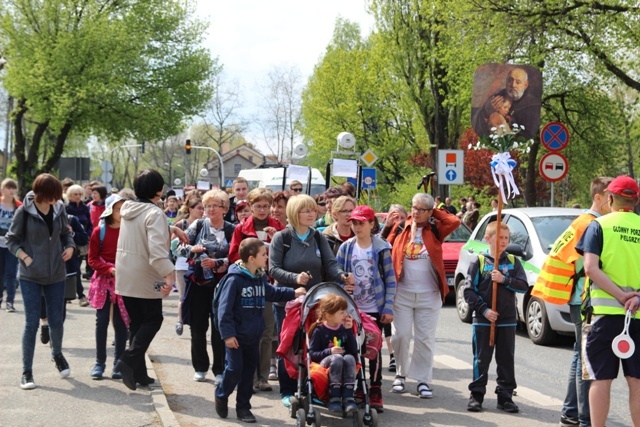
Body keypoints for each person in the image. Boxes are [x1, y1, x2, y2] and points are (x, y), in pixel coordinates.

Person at [532, 176, 612, 427]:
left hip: (579, 298)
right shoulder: (592, 225)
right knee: (585, 358)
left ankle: (571, 412)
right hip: (585, 298)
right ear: (598, 198)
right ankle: (582, 415)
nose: (613, 202)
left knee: (580, 355)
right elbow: (590, 266)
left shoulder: (583, 222)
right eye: (610, 197)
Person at [269, 194, 353, 407]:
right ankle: (287, 391)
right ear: (294, 214)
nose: (311, 214)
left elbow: (330, 263)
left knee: (311, 345)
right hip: (287, 302)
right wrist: (294, 279)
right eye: (306, 210)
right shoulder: (282, 238)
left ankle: (313, 386)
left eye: (313, 210)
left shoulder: (317, 236)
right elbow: (273, 269)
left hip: (315, 301)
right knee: (288, 345)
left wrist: (341, 275)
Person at [215, 238, 305, 423]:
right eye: (263, 254)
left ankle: (243, 408)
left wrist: (293, 292)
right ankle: (222, 394)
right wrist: (228, 335)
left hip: (252, 336)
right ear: (251, 258)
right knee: (234, 369)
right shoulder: (234, 280)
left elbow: (271, 293)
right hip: (236, 337)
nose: (267, 257)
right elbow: (224, 310)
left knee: (248, 374)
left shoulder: (259, 277)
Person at [576, 175, 640, 427]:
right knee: (637, 380)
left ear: (610, 198)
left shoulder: (599, 226)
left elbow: (590, 268)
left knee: (600, 379)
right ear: (635, 201)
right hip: (637, 316)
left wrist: (620, 295)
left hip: (602, 315)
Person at [7, 173, 76, 390]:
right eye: (52, 196)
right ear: (41, 194)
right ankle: (26, 372)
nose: (56, 200)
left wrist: (70, 247)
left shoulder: (59, 209)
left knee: (56, 320)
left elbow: (67, 234)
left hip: (56, 273)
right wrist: (25, 256)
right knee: (31, 323)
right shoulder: (24, 212)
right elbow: (11, 240)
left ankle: (57, 354)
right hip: (30, 275)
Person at [387, 193, 460, 398]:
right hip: (402, 293)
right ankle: (400, 375)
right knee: (400, 335)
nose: (415, 212)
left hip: (429, 295)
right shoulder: (401, 227)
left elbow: (454, 221)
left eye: (421, 209)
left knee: (424, 339)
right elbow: (385, 246)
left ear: (429, 212)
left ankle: (422, 380)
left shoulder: (435, 229)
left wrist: (433, 209)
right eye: (413, 208)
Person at [113, 169, 176, 391]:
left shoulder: (128, 209)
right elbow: (157, 252)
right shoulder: (154, 213)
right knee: (153, 320)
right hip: (146, 275)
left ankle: (138, 373)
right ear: (158, 190)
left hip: (125, 274)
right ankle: (128, 360)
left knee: (137, 324)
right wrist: (170, 274)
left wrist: (170, 228)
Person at [336, 205, 396, 412]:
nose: (357, 227)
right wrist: (343, 283)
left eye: (361, 223)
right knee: (353, 348)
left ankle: (376, 388)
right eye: (354, 222)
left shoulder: (381, 248)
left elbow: (390, 280)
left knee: (374, 349)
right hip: (353, 308)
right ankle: (359, 386)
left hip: (374, 308)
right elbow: (338, 274)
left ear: (372, 224)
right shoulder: (346, 248)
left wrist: (388, 307)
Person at [463, 221, 528, 413]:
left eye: (506, 238)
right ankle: (476, 395)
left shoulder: (514, 262)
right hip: (484, 319)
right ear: (488, 239)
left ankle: (505, 396)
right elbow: (468, 291)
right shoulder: (479, 261)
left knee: (506, 358)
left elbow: (523, 286)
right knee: (481, 358)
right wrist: (484, 310)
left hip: (507, 319)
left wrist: (504, 279)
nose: (503, 241)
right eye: (499, 238)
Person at [228, 188, 284, 392]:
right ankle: (248, 376)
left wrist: (276, 239)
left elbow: (285, 255)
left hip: (268, 284)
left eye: (265, 206)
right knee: (248, 331)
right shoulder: (241, 229)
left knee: (267, 331)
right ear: (250, 206)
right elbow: (233, 256)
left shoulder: (278, 226)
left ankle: (262, 377)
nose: (262, 210)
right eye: (258, 206)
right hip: (247, 285)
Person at [178, 189, 234, 385]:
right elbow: (179, 247)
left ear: (224, 209)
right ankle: (200, 367)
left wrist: (217, 262)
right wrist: (192, 250)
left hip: (222, 285)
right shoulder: (199, 224)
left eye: (215, 206)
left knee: (219, 327)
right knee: (198, 326)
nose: (210, 209)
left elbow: (235, 257)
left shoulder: (231, 230)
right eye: (207, 206)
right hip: (198, 283)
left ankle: (219, 369)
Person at [87, 195, 129, 380]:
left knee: (120, 324)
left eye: (124, 209)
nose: (122, 212)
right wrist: (109, 269)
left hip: (124, 280)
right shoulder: (99, 231)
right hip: (104, 280)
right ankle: (99, 363)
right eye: (118, 209)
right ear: (111, 210)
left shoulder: (129, 231)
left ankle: (118, 364)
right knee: (101, 321)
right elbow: (92, 259)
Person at [308, 294, 358, 414]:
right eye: (341, 312)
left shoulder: (344, 328)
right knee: (337, 358)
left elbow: (353, 351)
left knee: (350, 358)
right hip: (324, 364)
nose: (345, 315)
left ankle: (348, 396)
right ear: (329, 315)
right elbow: (313, 354)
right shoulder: (319, 331)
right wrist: (329, 351)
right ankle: (334, 397)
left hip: (343, 362)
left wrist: (348, 331)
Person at [472, 67, 540, 139]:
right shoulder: (497, 97)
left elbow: (528, 135)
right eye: (510, 80)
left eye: (518, 82)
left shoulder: (532, 105)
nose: (513, 85)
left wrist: (506, 117)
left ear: (525, 85)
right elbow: (477, 124)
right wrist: (486, 111)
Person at [172, 197, 204, 336]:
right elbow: (171, 244)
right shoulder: (182, 224)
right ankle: (180, 320)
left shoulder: (204, 224)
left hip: (198, 265)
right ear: (190, 209)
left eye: (203, 208)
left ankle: (193, 322)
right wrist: (182, 244)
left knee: (196, 298)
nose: (202, 211)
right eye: (199, 208)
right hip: (182, 265)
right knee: (183, 296)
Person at [0, 178, 21, 312]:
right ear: (2, 189)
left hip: (12, 245)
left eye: (13, 188)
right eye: (9, 188)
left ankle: (10, 301)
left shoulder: (18, 206)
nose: (11, 190)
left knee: (11, 273)